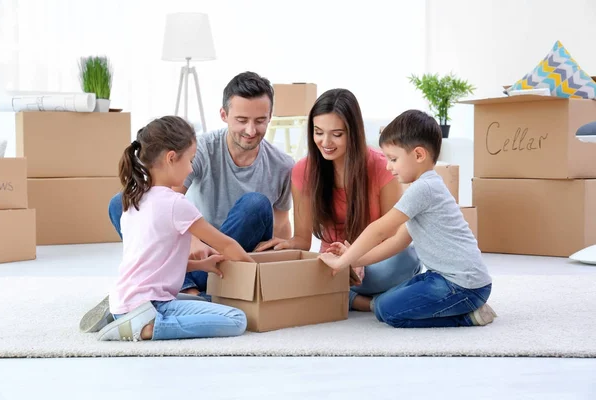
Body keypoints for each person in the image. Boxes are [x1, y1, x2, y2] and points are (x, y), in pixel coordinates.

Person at [81, 71, 294, 333]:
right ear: (224, 115)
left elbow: (281, 227)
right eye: (242, 120)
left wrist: (281, 267)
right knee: (121, 202)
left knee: (256, 205)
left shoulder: (282, 164)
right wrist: (194, 243)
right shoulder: (198, 148)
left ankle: (154, 294)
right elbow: (172, 198)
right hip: (194, 244)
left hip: (219, 258)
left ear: (270, 117)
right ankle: (171, 302)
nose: (251, 130)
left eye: (260, 121)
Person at [319, 109, 497, 328]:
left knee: (387, 311)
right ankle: (461, 307)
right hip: (447, 278)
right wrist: (354, 259)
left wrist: (341, 262)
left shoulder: (424, 188)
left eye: (393, 159)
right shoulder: (425, 187)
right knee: (385, 301)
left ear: (419, 155)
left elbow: (380, 230)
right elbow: (398, 241)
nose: (388, 166)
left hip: (464, 286)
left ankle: (468, 317)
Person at [255, 89, 421, 312]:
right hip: (334, 266)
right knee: (295, 275)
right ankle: (370, 302)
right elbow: (303, 240)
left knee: (403, 260)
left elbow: (391, 233)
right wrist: (283, 247)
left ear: (353, 132)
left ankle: (345, 297)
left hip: (372, 260)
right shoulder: (303, 170)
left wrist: (358, 258)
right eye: (318, 132)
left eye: (337, 134)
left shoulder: (382, 166)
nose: (325, 142)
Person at [97, 116, 254, 341]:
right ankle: (147, 328)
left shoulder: (133, 198)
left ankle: (122, 316)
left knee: (206, 303)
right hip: (153, 304)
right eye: (190, 160)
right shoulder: (175, 203)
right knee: (237, 319)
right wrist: (259, 272)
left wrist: (201, 265)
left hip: (127, 298)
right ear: (171, 158)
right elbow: (225, 244)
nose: (191, 168)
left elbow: (153, 261)